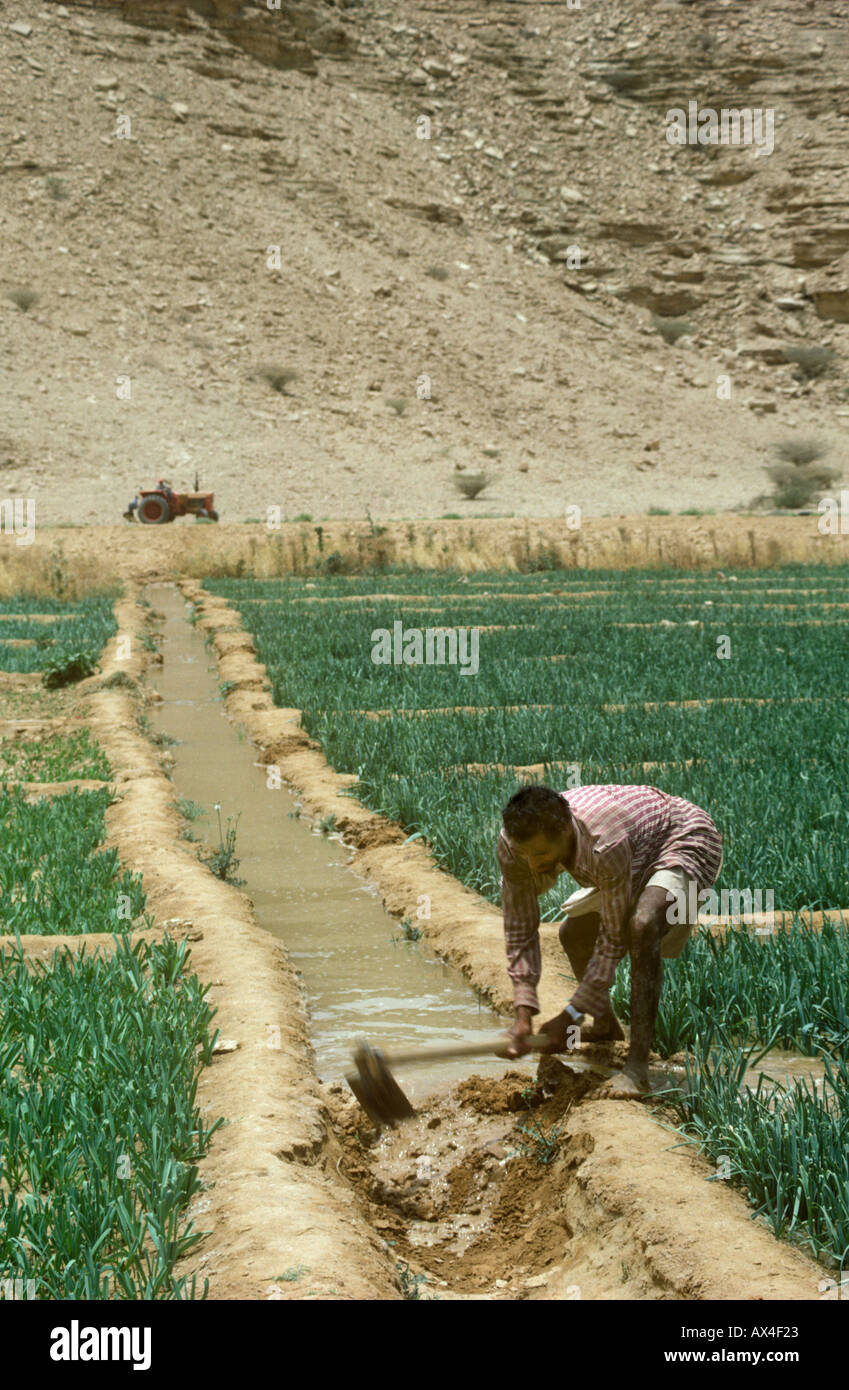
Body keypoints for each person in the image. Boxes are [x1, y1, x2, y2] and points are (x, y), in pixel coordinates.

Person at [497, 783, 722, 1098]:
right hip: (633, 846)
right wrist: (523, 1015)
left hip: (681, 835)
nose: (533, 865)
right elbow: (520, 928)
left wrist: (571, 1016)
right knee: (573, 935)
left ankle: (637, 1071)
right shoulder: (512, 846)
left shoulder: (604, 843)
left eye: (542, 854)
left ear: (565, 832)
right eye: (526, 855)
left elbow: (612, 940)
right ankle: (605, 1026)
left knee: (642, 927)